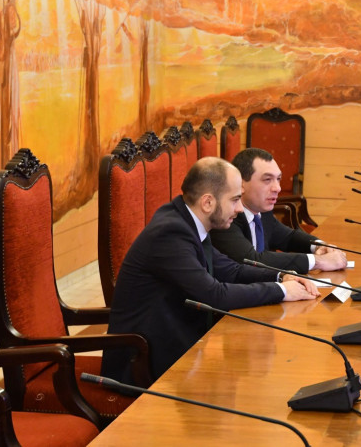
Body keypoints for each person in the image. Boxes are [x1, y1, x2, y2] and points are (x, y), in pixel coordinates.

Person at [102, 157, 319, 386]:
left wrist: (281, 276)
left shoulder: (188, 221)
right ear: (208, 202)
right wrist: (281, 291)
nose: (238, 208)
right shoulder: (171, 233)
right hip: (144, 365)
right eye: (235, 199)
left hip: (181, 348)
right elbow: (214, 294)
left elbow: (231, 270)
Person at [211, 148, 347, 273]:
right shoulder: (225, 216)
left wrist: (319, 246)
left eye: (278, 179)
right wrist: (318, 262)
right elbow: (253, 260)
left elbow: (288, 237)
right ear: (240, 183)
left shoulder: (262, 212)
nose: (277, 188)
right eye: (267, 180)